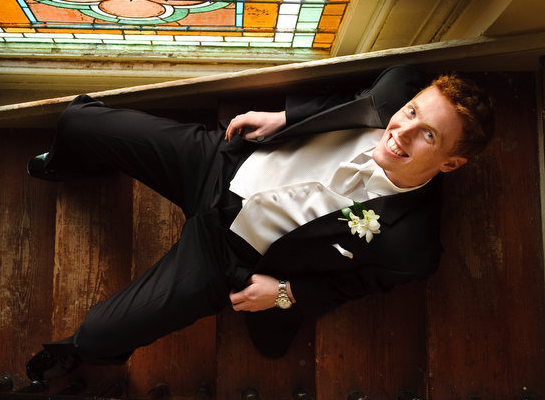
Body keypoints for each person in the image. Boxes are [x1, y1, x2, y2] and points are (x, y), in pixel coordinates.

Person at [25, 65, 494, 381]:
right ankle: (79, 163)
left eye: (428, 135)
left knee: (99, 333)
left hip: (227, 259)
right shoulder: (395, 88)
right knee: (79, 119)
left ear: (450, 164)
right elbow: (360, 97)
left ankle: (88, 364)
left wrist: (285, 294)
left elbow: (352, 287)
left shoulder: (411, 245)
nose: (401, 131)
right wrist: (286, 116)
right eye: (412, 112)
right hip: (220, 164)